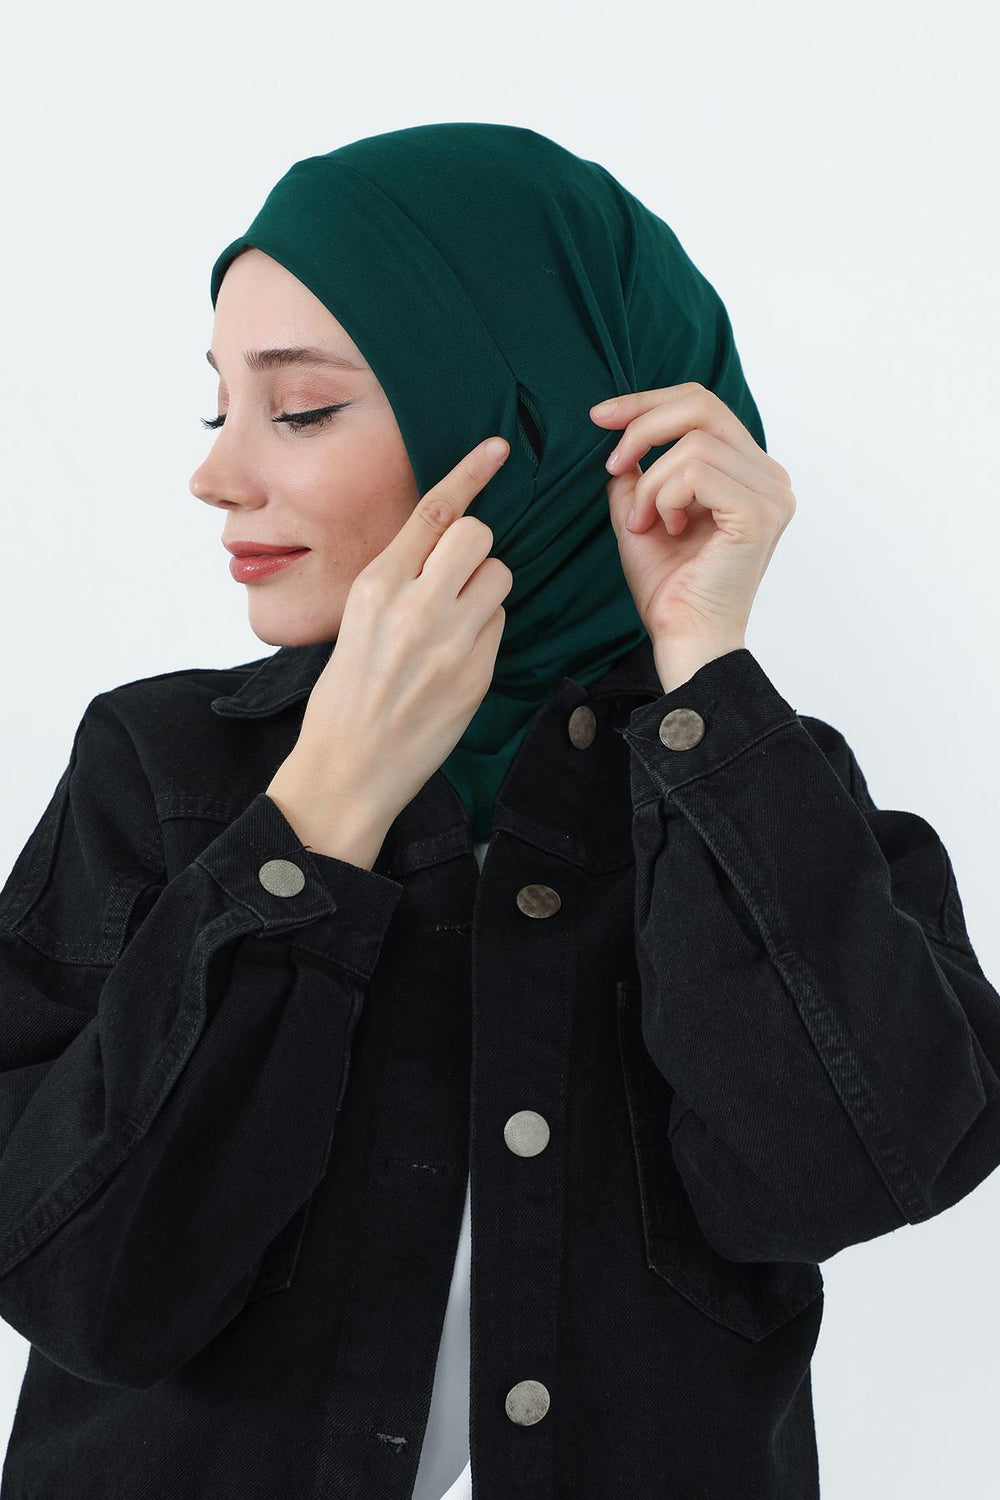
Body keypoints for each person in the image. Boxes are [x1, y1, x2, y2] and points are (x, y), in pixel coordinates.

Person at [0, 121, 997, 1500]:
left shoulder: (752, 789)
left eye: (299, 409)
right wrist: (320, 816)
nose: (218, 476)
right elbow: (84, 1285)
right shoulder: (159, 770)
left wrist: (704, 659)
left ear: (532, 420)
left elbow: (849, 1176)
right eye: (219, 410)